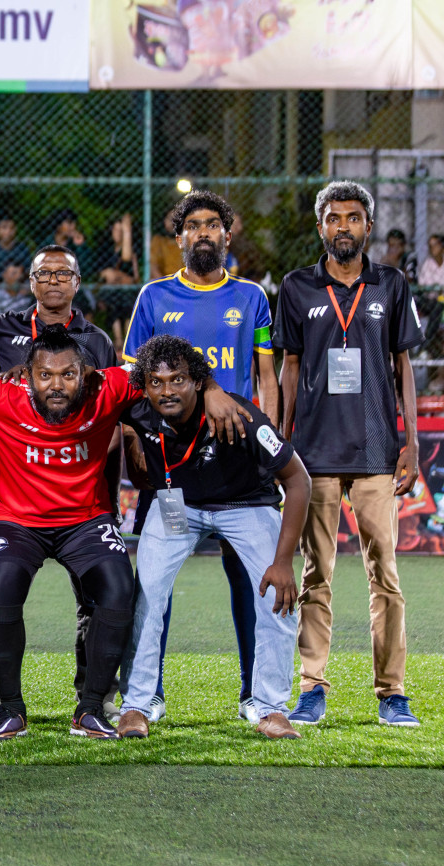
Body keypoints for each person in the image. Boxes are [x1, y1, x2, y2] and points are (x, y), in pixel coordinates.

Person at [0, 323, 249, 740]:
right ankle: (10, 711)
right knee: (1, 585)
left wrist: (211, 387)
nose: (56, 385)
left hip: (85, 520)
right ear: (26, 375)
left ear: (85, 373)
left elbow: (170, 368)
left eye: (68, 374)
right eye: (45, 375)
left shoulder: (109, 387)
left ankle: (89, 710)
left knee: (119, 586)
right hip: (15, 519)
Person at [123, 189, 276, 723]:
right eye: (194, 225)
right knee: (151, 585)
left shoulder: (253, 297)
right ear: (180, 237)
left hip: (238, 463)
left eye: (213, 224)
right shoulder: (153, 297)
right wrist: (132, 448)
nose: (204, 233)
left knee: (252, 582)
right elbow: (131, 383)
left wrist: (268, 436)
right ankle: (147, 697)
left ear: (227, 235)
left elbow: (266, 377)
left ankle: (255, 697)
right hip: (172, 467)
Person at [275, 180, 424, 727]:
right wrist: (283, 442)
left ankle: (392, 692)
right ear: (321, 227)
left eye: (354, 217)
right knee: (316, 575)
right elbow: (289, 366)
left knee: (385, 574)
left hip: (378, 451)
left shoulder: (391, 283)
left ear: (367, 225)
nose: (344, 226)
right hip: (313, 455)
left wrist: (408, 441)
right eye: (334, 218)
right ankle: (313, 685)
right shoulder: (296, 287)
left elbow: (403, 363)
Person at [115, 335, 310, 741]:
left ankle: (271, 707)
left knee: (277, 596)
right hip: (178, 505)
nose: (167, 390)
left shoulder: (238, 415)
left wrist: (283, 561)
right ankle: (136, 703)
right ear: (144, 385)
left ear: (198, 382)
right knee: (147, 593)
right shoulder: (137, 408)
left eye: (178, 380)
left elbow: (299, 480)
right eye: (156, 381)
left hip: (246, 504)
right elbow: (89, 381)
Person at [0, 244, 121, 719]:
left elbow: (110, 415)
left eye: (65, 274)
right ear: (32, 282)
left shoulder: (98, 340)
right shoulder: (1, 330)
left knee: (96, 595)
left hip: (83, 493)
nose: (55, 281)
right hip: (16, 492)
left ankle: (94, 687)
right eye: (46, 273)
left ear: (77, 283)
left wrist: (112, 495)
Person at [97, 212, 139, 284]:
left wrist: (117, 275)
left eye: (121, 231)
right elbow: (100, 273)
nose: (118, 233)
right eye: (116, 230)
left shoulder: (132, 250)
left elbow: (135, 279)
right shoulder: (106, 249)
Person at [150, 208, 185, 279]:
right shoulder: (158, 240)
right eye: (170, 219)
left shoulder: (188, 241)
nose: (173, 222)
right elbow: (153, 267)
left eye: (176, 219)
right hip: (163, 283)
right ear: (164, 221)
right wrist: (166, 286)